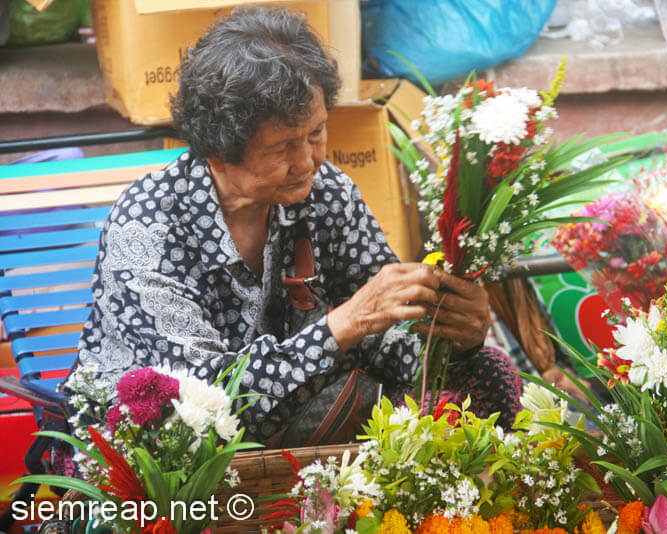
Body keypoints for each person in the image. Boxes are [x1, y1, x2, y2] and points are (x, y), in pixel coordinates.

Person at [67, 5, 522, 444]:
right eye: (283, 147)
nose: (308, 161)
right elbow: (205, 406)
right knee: (181, 444)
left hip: (303, 409)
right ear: (220, 151)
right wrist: (342, 326)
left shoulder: (326, 193)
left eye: (317, 132)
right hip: (168, 439)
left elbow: (387, 338)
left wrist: (453, 336)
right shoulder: (147, 227)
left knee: (486, 374)